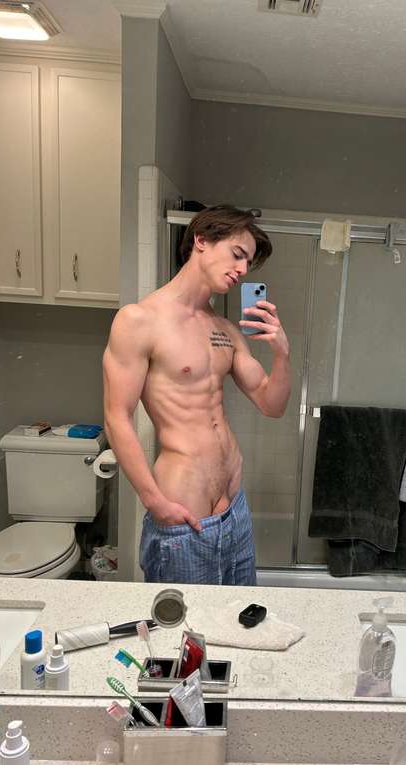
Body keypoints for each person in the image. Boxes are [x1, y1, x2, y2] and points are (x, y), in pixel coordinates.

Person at [102, 205, 291, 585]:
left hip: (234, 510)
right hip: (184, 516)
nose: (242, 269)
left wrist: (282, 353)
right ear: (201, 241)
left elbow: (271, 404)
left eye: (248, 262)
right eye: (237, 254)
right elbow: (116, 417)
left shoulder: (226, 330)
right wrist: (155, 503)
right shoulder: (139, 320)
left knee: (242, 615)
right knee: (186, 622)